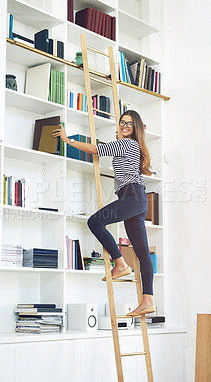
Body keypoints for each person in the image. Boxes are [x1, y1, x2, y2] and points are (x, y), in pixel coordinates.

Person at [52, 110, 155, 317]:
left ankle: (120, 263)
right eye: (122, 122)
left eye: (129, 124)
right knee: (143, 255)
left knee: (95, 222)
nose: (124, 126)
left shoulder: (126, 143)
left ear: (135, 127)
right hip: (137, 198)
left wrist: (67, 140)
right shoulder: (132, 145)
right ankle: (148, 300)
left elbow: (95, 149)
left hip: (132, 196)